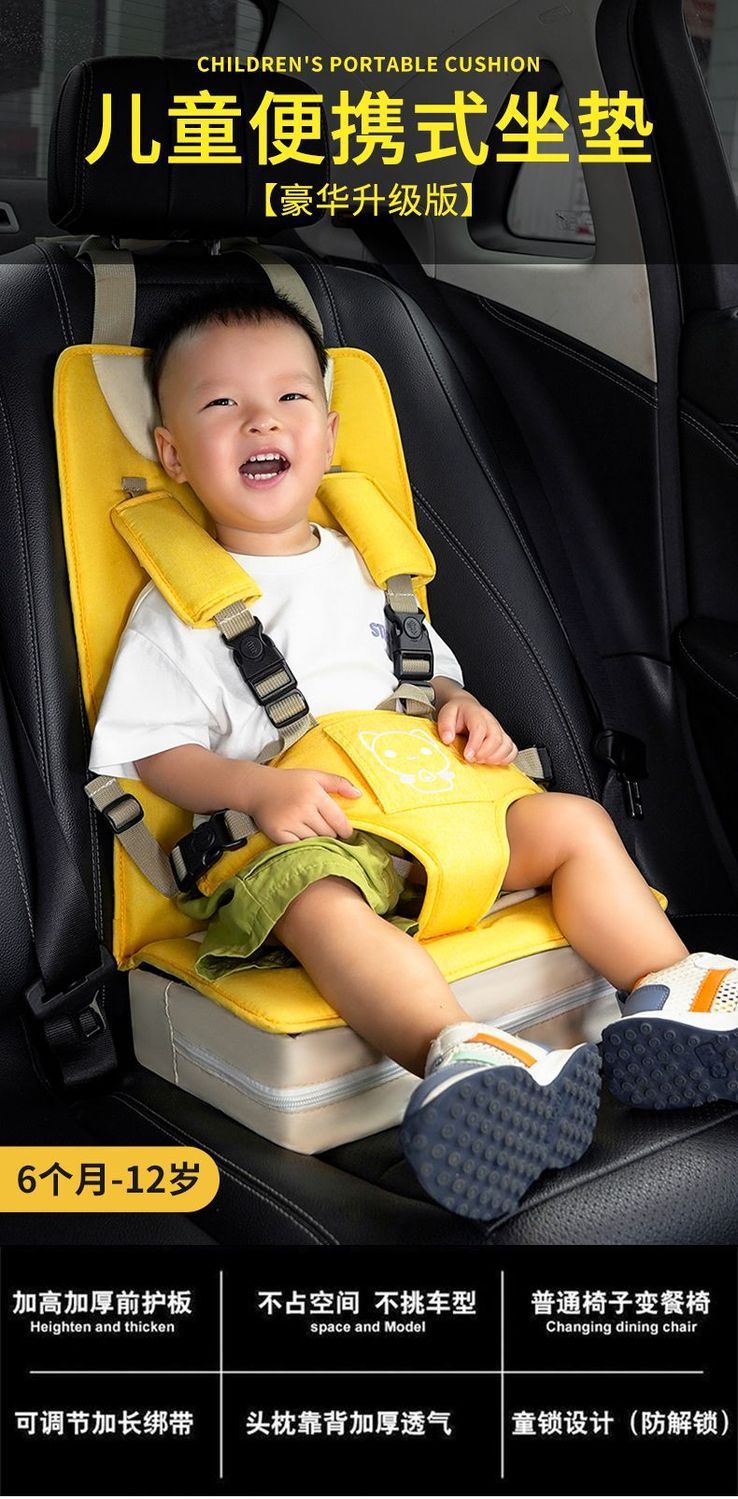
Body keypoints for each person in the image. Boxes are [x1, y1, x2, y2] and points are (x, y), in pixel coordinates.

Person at [90, 286, 738, 1223]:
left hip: (436, 818)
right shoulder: (178, 608)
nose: (261, 420)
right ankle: (463, 1053)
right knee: (318, 904)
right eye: (222, 403)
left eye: (290, 397)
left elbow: (426, 679)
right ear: (174, 452)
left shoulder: (367, 565)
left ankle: (674, 988)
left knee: (574, 821)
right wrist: (252, 788)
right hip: (315, 839)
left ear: (328, 433)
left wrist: (465, 709)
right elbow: (153, 753)